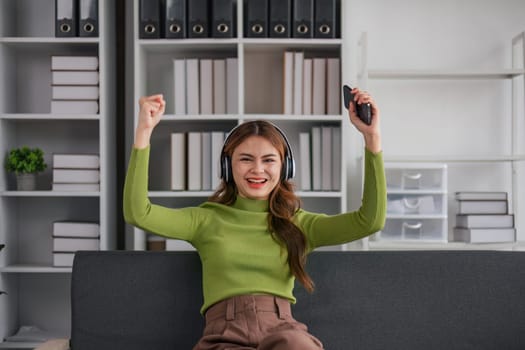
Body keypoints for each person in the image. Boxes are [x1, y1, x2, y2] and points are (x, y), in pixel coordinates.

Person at [123, 88, 386, 350]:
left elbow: (369, 221)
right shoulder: (205, 219)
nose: (257, 170)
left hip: (283, 333)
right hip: (224, 335)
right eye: (245, 159)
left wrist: (371, 137)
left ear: (284, 168)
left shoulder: (300, 223)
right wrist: (143, 132)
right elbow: (138, 212)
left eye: (269, 160)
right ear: (228, 167)